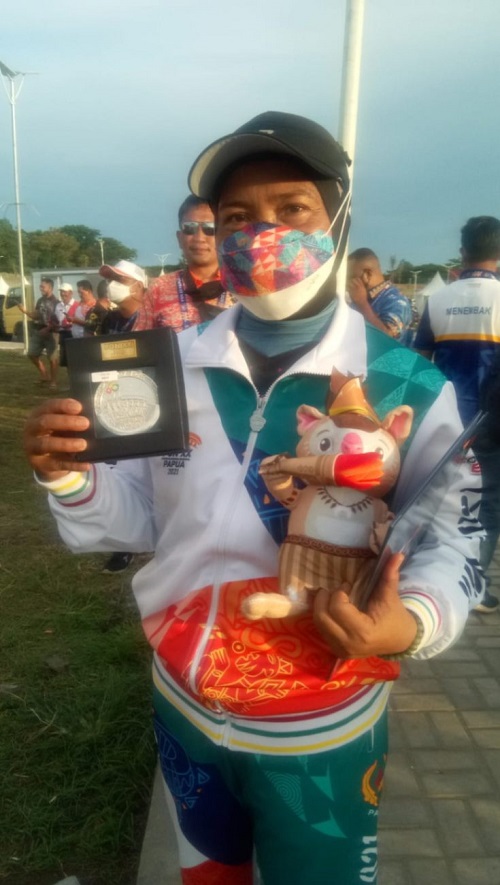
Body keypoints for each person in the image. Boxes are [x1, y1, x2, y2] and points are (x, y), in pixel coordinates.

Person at [23, 111, 485, 885]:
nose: (260, 232)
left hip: (321, 728)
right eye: (236, 216)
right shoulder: (164, 366)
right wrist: (67, 473)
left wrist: (412, 621)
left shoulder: (407, 382)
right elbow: (140, 519)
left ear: (338, 220)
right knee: (207, 876)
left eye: (291, 208)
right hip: (184, 707)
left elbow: (457, 535)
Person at [414, 216, 500, 613]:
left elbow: (420, 363)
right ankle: (474, 586)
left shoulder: (437, 300)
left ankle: (421, 572)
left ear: (462, 252)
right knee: (488, 503)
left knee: (435, 497)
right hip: (492, 424)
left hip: (444, 419)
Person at [97, 259, 149, 574]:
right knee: (119, 476)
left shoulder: (154, 318)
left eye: (120, 279)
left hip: (151, 407)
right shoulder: (111, 320)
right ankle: (125, 544)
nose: (112, 285)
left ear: (139, 287)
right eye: (110, 279)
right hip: (116, 404)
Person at [133, 195, 233, 331]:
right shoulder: (158, 288)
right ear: (179, 238)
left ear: (223, 236)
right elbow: (142, 341)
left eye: (210, 228)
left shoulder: (244, 285)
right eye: (190, 228)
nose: (199, 238)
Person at [347, 248, 413, 342]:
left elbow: (387, 338)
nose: (347, 282)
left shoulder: (397, 301)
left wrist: (362, 303)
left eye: (351, 277)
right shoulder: (361, 298)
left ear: (367, 274)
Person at [19, 276, 59, 388]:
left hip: (52, 332)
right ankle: (44, 375)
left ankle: (53, 381)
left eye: (43, 287)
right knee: (31, 353)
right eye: (40, 286)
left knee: (52, 358)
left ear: (50, 288)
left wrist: (48, 329)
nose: (41, 289)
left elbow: (58, 321)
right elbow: (36, 315)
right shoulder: (40, 300)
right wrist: (25, 311)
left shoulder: (57, 303)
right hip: (39, 330)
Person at [55, 283, 78, 368]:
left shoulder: (77, 305)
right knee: (65, 360)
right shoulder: (58, 305)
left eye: (65, 292)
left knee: (74, 358)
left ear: (71, 293)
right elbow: (57, 319)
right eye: (61, 291)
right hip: (63, 334)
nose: (62, 294)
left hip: (73, 334)